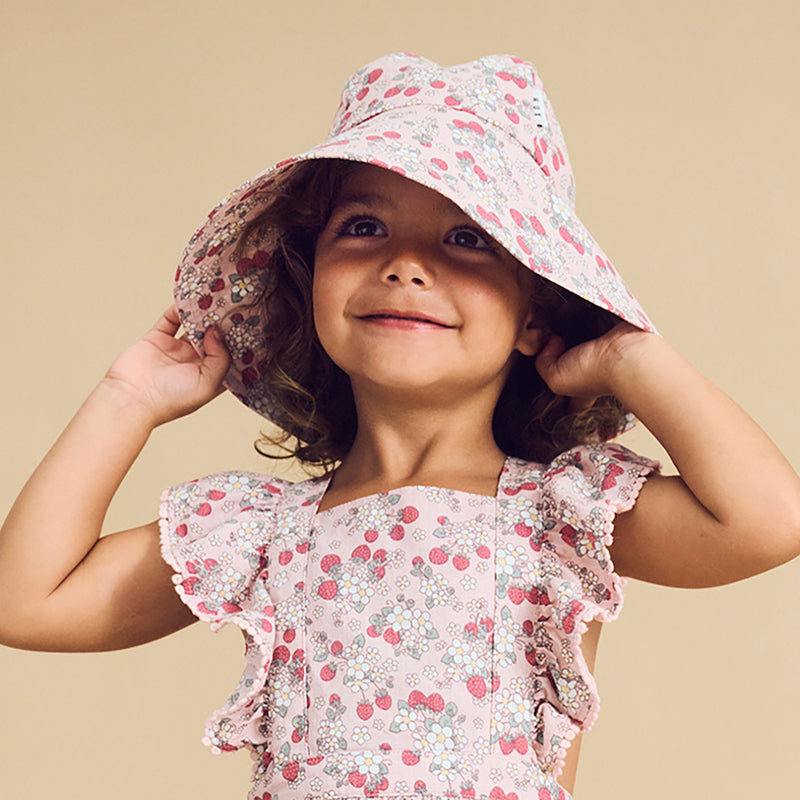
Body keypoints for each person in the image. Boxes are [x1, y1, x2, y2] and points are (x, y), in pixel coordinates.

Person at [1, 52, 799, 800]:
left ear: (535, 314)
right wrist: (125, 400)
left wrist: (630, 357)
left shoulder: (560, 515)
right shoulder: (262, 533)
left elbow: (767, 521)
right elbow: (27, 602)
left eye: (467, 238)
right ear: (309, 283)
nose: (407, 263)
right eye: (364, 227)